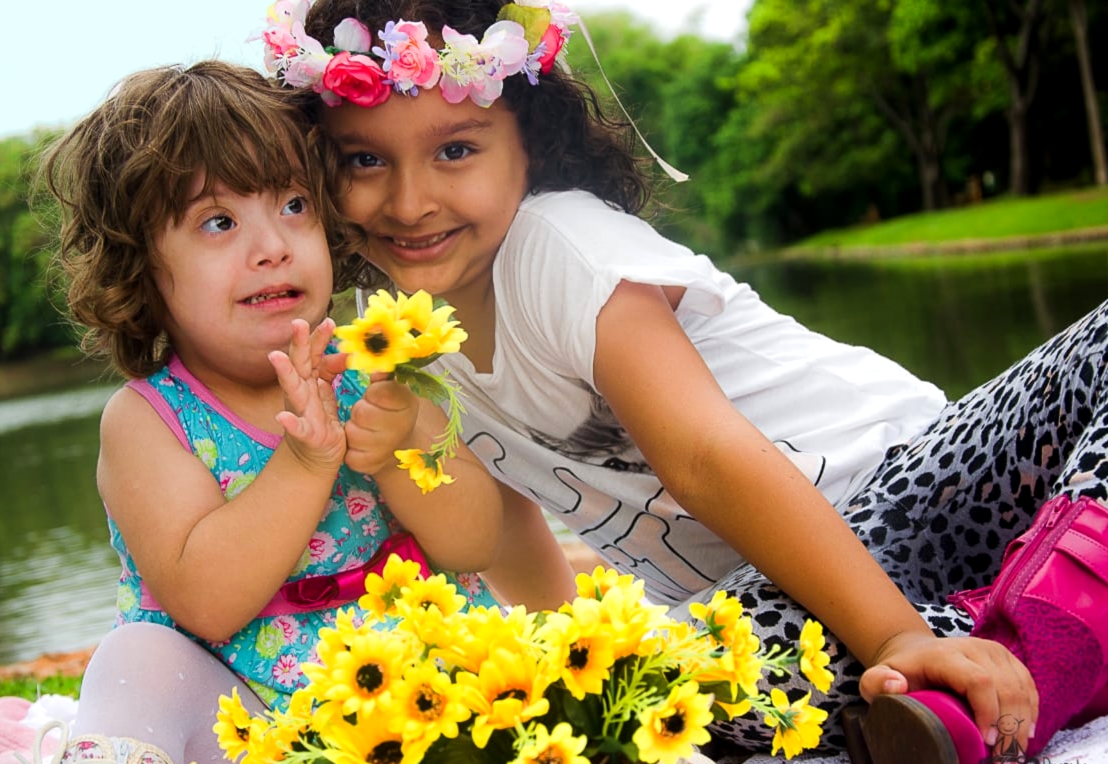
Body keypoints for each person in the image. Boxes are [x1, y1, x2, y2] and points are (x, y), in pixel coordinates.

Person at [261, 1, 1108, 761]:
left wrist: (891, 632)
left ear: (529, 142)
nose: (410, 203)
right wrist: (561, 682)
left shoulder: (560, 246)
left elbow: (701, 456)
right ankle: (986, 663)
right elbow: (514, 528)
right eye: (363, 161)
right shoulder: (396, 327)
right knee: (669, 696)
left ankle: (1018, 653)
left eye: (455, 150)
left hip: (920, 485)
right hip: (763, 604)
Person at [31, 59, 536, 764]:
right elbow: (206, 601)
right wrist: (305, 461)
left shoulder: (374, 368)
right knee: (136, 658)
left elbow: (475, 543)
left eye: (294, 206)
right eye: (218, 222)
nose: (273, 248)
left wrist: (399, 451)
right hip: (252, 721)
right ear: (140, 266)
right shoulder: (150, 418)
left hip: (415, 688)